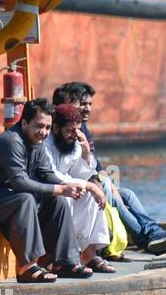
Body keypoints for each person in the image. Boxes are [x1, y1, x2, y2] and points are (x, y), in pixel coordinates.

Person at [52, 81, 166, 254]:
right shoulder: (63, 132)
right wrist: (100, 183)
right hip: (78, 187)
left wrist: (105, 179)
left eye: (89, 104)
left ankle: (153, 231)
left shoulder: (80, 127)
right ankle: (146, 238)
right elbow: (65, 170)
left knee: (127, 194)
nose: (86, 108)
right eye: (81, 104)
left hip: (91, 179)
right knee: (113, 196)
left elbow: (94, 166)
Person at [0, 98, 87, 283]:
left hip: (7, 196)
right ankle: (27, 267)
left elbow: (46, 174)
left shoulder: (37, 143)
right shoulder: (11, 141)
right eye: (39, 126)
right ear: (24, 123)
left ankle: (65, 261)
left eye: (47, 127)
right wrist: (60, 188)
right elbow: (20, 183)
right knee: (26, 199)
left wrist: (69, 186)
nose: (43, 132)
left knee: (57, 201)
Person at [44, 102, 115, 273]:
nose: (74, 135)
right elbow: (51, 175)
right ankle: (65, 258)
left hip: (68, 189)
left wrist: (85, 153)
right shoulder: (45, 144)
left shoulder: (73, 142)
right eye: (69, 130)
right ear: (55, 128)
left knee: (90, 197)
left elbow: (79, 174)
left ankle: (89, 254)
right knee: (69, 196)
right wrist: (88, 185)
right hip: (46, 193)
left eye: (77, 130)